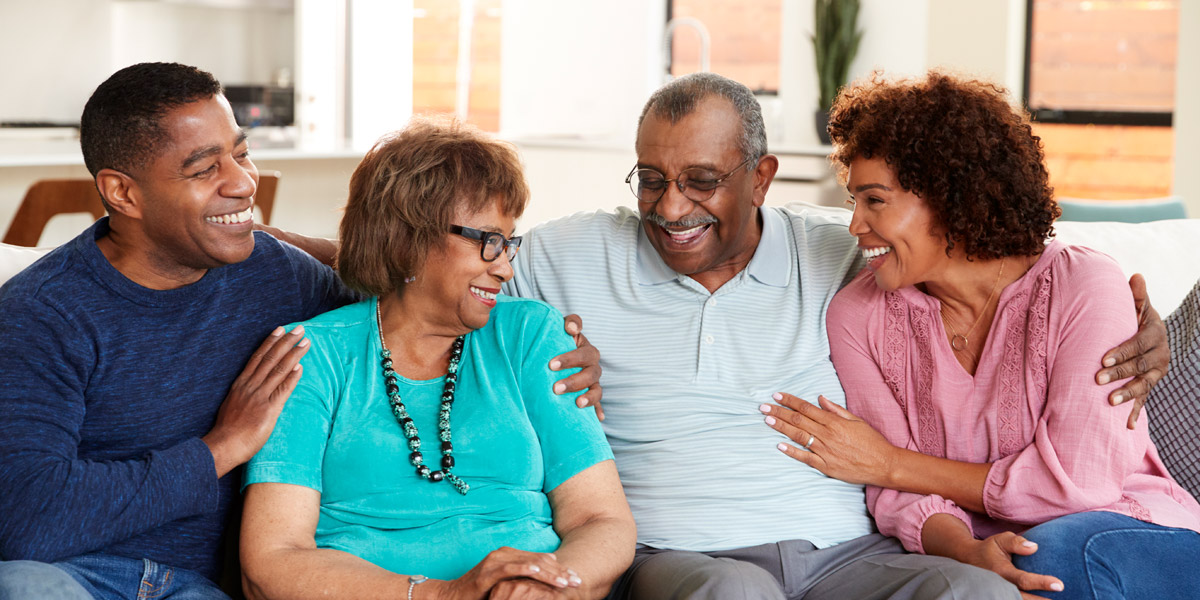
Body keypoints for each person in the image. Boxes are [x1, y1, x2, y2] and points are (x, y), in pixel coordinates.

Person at [499, 72, 1171, 600]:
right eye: (651, 181)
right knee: (729, 592)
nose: (671, 207)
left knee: (973, 592)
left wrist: (1145, 323)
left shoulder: (851, 263)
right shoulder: (571, 254)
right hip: (689, 555)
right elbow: (451, 291)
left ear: (761, 179)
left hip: (858, 556)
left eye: (701, 182)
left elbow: (1024, 276)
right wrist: (532, 347)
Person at [0, 63, 600, 600]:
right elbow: (28, 519)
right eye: (206, 169)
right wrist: (222, 448)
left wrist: (557, 344)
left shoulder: (273, 274)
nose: (242, 182)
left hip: (198, 586)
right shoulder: (40, 315)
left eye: (241, 152)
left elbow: (401, 298)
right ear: (122, 192)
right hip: (74, 575)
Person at [761, 71, 1200, 600]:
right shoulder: (858, 315)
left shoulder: (1085, 286)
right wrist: (967, 553)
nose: (855, 225)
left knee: (1050, 558)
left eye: (874, 200)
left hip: (1132, 531)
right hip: (984, 553)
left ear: (953, 198)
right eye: (854, 200)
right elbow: (892, 494)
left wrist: (893, 463)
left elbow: (1076, 485)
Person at [238, 119, 635, 600]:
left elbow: (602, 519)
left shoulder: (532, 335)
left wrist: (548, 585)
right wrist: (444, 595)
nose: (505, 266)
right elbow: (272, 561)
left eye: (509, 241)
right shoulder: (311, 356)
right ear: (408, 238)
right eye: (488, 240)